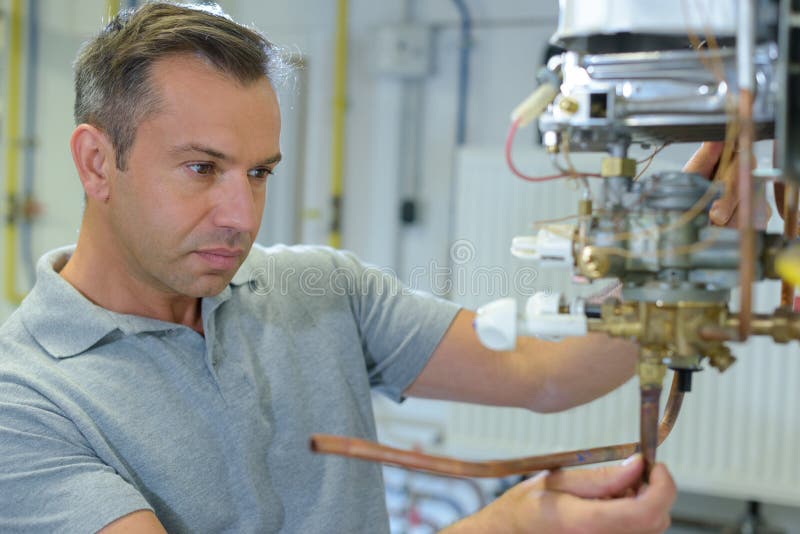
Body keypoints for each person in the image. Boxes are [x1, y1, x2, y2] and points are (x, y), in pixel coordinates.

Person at [0, 2, 677, 532]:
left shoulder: (319, 289)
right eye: (201, 168)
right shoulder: (25, 403)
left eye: (260, 172)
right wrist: (509, 526)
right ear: (95, 163)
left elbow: (545, 373)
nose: (242, 214)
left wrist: (691, 240)